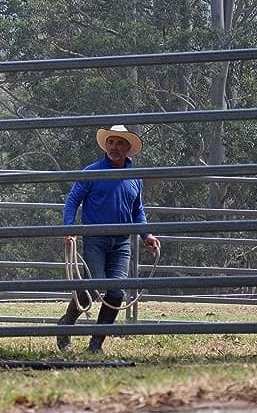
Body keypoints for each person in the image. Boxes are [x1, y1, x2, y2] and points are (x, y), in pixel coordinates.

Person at [57, 124, 160, 354]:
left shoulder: (134, 178)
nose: (114, 147)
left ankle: (95, 344)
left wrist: (147, 235)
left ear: (127, 148)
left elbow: (137, 210)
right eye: (111, 142)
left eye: (120, 142)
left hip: (122, 243)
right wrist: (69, 227)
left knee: (116, 292)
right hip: (95, 238)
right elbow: (73, 200)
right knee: (95, 286)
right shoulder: (92, 171)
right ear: (105, 145)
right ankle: (66, 324)